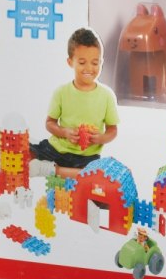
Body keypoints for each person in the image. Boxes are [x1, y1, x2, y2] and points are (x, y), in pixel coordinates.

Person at [30, 28, 119, 179]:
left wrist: (101, 138)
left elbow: (113, 130)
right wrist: (65, 132)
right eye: (82, 62)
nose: (89, 68)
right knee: (25, 152)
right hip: (57, 149)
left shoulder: (106, 96)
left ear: (101, 62)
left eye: (95, 63)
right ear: (70, 62)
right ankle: (48, 161)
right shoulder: (61, 92)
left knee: (93, 176)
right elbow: (50, 123)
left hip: (87, 157)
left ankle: (54, 171)